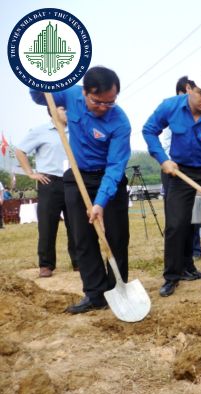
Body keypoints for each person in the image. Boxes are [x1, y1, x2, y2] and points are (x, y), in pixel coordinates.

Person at [30, 66, 131, 313]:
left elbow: (116, 166)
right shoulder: (70, 94)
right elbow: (39, 96)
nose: (104, 107)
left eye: (111, 102)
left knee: (116, 238)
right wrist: (39, 80)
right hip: (77, 176)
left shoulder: (120, 121)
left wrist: (100, 203)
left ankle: (116, 290)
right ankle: (94, 294)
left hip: (109, 179)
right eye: (98, 102)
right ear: (85, 92)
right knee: (82, 239)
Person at [143, 68, 201, 300]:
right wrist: (163, 159)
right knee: (176, 224)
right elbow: (149, 130)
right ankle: (172, 277)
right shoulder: (170, 106)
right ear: (188, 88)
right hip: (180, 170)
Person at [14, 105, 78, 277]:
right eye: (63, 108)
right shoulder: (39, 131)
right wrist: (30, 173)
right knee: (47, 225)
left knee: (76, 224)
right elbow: (20, 150)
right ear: (52, 110)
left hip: (74, 181)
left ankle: (79, 262)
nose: (67, 111)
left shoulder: (76, 129)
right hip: (50, 181)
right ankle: (46, 265)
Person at [160, 76, 201, 281]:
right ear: (184, 92)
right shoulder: (172, 112)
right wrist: (168, 163)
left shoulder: (199, 115)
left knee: (191, 221)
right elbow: (162, 142)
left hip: (191, 171)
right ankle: (173, 272)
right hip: (172, 171)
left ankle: (189, 265)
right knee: (176, 223)